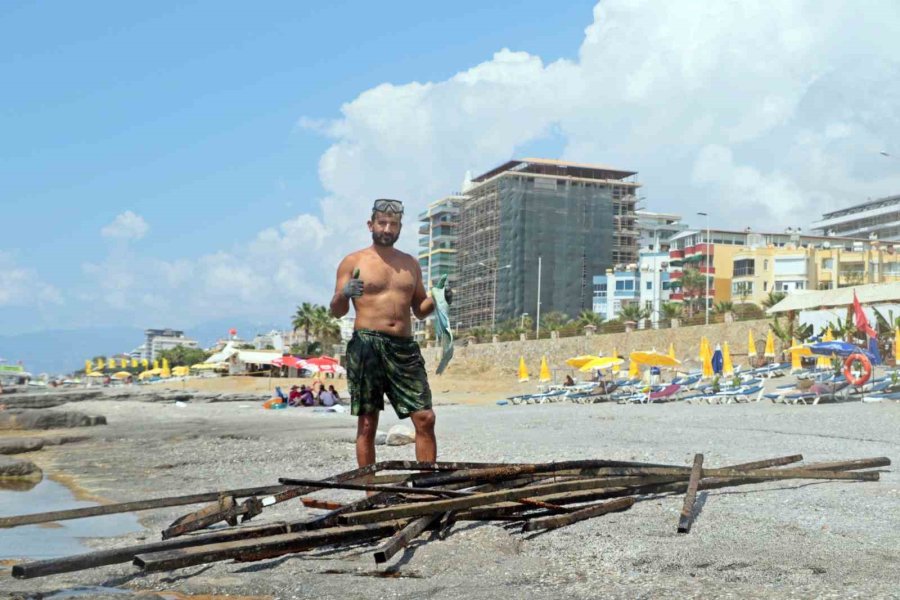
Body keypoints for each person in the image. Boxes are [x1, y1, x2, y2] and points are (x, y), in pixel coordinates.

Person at [330, 198, 452, 469]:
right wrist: (344, 293)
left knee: (425, 418)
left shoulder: (410, 264)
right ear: (370, 225)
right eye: (382, 223)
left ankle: (427, 485)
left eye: (393, 224)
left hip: (404, 348)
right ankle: (370, 489)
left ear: (400, 228)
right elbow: (337, 310)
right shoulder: (353, 261)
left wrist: (439, 299)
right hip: (367, 345)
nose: (387, 228)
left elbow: (420, 310)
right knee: (367, 423)